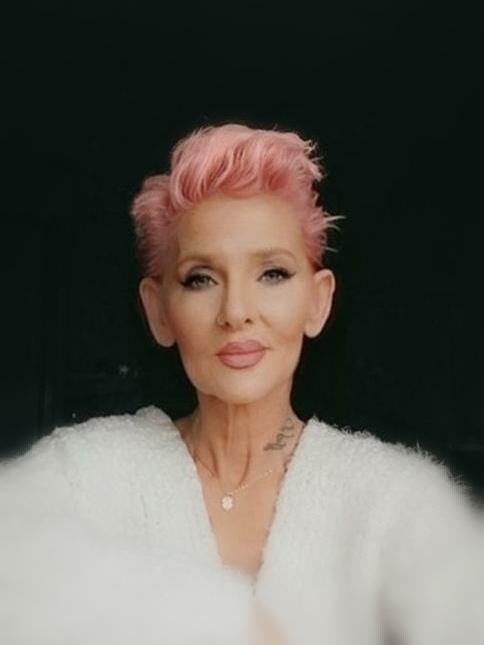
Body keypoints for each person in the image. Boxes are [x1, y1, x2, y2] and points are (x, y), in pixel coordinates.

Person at [1, 123, 483, 645]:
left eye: (272, 273)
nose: (235, 311)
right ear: (159, 311)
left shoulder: (395, 502)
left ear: (317, 301)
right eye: (201, 279)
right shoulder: (81, 476)